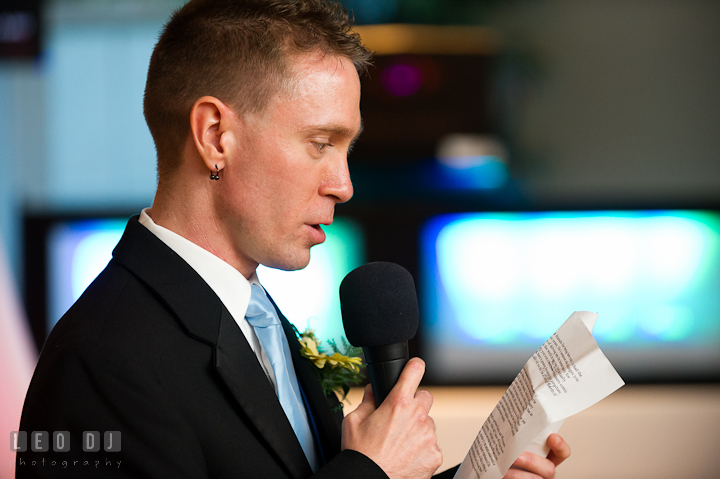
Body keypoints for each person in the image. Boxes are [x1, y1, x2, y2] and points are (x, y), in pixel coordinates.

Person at [17, 1, 570, 478]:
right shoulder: (99, 362)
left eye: (345, 149)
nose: (344, 185)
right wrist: (370, 472)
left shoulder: (254, 313)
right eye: (319, 142)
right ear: (215, 137)